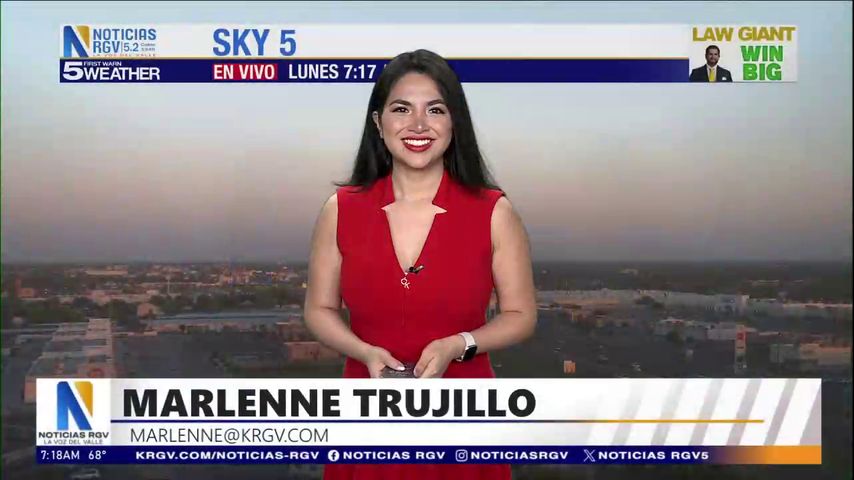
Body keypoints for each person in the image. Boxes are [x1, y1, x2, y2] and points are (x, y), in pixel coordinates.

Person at [304, 49, 537, 480]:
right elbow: (319, 309)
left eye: (435, 109)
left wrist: (459, 345)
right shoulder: (340, 210)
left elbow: (521, 315)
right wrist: (363, 352)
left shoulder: (494, 212)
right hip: (368, 414)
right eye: (401, 109)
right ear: (378, 123)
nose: (418, 125)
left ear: (454, 122)